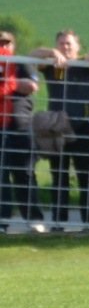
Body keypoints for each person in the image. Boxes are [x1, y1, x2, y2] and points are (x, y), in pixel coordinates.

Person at [31, 30, 89, 227]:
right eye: (61, 43)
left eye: (69, 43)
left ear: (77, 46)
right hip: (57, 127)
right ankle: (59, 222)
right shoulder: (51, 65)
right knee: (59, 176)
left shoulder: (85, 64)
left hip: (82, 126)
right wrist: (51, 53)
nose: (65, 47)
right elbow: (32, 55)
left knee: (85, 176)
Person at [0, 30, 45, 232]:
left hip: (20, 126)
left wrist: (8, 84)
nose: (3, 46)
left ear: (13, 45)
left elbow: (32, 86)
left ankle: (34, 219)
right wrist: (14, 85)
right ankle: (2, 221)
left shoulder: (21, 63)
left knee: (25, 173)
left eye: (6, 43)